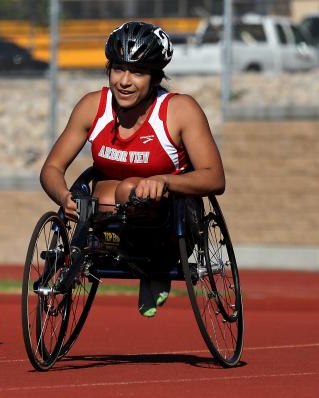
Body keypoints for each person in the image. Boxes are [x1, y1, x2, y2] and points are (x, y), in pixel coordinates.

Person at [40, 21, 225, 317]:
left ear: (154, 77)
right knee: (100, 195)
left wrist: (164, 181)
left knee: (131, 189)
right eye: (118, 69)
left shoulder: (180, 110)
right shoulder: (92, 107)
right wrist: (63, 196)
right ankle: (102, 251)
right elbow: (51, 167)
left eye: (137, 72)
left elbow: (215, 177)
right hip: (110, 219)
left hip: (171, 223)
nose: (124, 81)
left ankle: (154, 267)